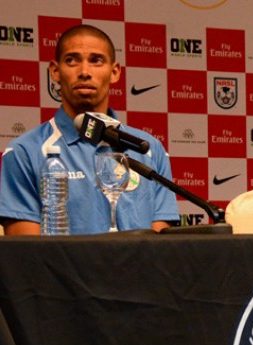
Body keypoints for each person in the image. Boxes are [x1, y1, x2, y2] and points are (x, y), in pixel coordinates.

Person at [0, 24, 178, 235]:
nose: (84, 72)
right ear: (55, 72)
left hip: (139, 269)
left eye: (96, 60)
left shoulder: (150, 149)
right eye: (72, 60)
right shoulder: (24, 152)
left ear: (114, 72)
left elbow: (160, 246)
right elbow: (28, 255)